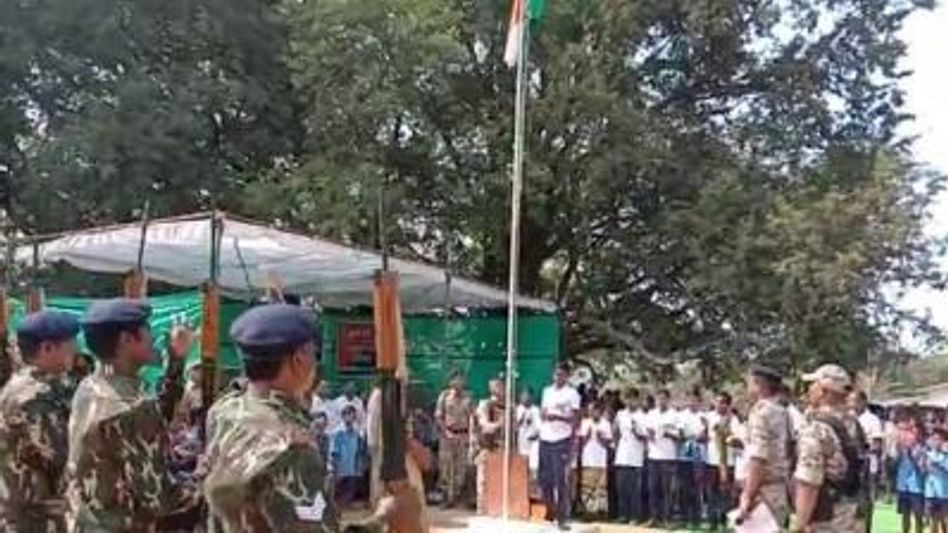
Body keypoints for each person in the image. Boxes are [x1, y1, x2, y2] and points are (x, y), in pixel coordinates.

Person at [202, 303, 338, 531]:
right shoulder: (294, 450)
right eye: (313, 353)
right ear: (299, 359)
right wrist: (384, 521)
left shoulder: (223, 411)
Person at [67, 298, 196, 531]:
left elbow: (148, 426)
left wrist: (176, 360)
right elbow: (159, 500)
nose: (153, 339)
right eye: (147, 331)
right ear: (127, 339)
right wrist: (210, 480)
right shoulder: (131, 406)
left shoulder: (89, 387)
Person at [0, 311, 79, 531]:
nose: (75, 350)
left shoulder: (21, 384)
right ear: (46, 348)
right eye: (69, 344)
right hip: (35, 518)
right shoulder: (35, 398)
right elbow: (61, 458)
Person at [791, 364, 866, 533]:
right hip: (852, 515)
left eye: (813, 384)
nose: (808, 389)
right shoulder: (854, 424)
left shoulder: (816, 429)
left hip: (827, 520)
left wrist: (800, 524)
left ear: (823, 391)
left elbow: (808, 481)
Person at [738, 365, 793, 528]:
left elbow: (758, 457)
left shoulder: (761, 413)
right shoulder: (783, 412)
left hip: (762, 490)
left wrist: (748, 495)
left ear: (759, 385)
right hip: (780, 489)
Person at [538, 363, 581, 531]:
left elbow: (576, 419)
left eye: (561, 375)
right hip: (545, 437)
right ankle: (550, 512)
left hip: (561, 439)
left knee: (560, 480)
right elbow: (542, 412)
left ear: (567, 376)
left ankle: (563, 517)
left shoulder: (572, 394)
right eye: (556, 374)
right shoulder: (547, 391)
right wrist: (545, 415)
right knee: (544, 479)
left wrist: (558, 417)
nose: (558, 377)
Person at [434, 372, 473, 508]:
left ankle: (456, 496)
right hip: (447, 436)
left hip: (463, 436)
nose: (458, 382)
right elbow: (438, 417)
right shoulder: (444, 396)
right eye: (455, 379)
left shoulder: (468, 398)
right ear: (450, 381)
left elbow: (472, 417)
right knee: (445, 467)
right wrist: (445, 431)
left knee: (460, 468)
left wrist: (470, 436)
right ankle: (445, 497)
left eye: (460, 379)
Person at [705, 391, 740, 531]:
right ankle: (712, 522)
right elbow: (706, 435)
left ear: (728, 405)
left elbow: (737, 440)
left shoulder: (734, 419)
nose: (719, 405)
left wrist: (725, 432)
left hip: (728, 462)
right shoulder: (710, 417)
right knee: (711, 493)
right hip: (711, 461)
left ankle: (725, 521)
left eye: (722, 403)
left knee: (726, 494)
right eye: (717, 402)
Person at [613, 388, 648, 524]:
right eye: (627, 398)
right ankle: (623, 514)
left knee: (634, 488)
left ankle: (635, 516)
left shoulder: (642, 416)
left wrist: (636, 431)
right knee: (621, 487)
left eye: (632, 398)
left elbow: (645, 437)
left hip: (635, 456)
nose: (629, 401)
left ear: (637, 399)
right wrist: (617, 445)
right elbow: (615, 431)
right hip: (622, 455)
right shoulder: (621, 414)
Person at [646, 388, 679, 528]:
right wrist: (651, 434)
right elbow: (646, 431)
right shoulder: (651, 414)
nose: (661, 401)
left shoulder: (674, 415)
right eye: (659, 399)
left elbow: (678, 436)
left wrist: (666, 433)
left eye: (664, 398)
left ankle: (668, 519)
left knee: (667, 490)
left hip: (668, 456)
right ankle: (654, 518)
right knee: (653, 488)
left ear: (668, 400)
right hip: (653, 455)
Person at [473, 378, 506, 514]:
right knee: (483, 478)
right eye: (497, 387)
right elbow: (484, 425)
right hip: (486, 446)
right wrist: (499, 424)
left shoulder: (508, 406)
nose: (500, 390)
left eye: (501, 387)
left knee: (500, 477)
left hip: (502, 446)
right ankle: (482, 507)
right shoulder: (485, 405)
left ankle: (496, 506)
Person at [677, 388, 706, 528]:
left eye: (695, 400)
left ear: (700, 402)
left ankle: (696, 518)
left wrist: (699, 435)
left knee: (696, 488)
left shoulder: (703, 417)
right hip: (684, 456)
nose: (692, 403)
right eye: (690, 400)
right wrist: (690, 436)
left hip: (698, 457)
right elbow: (681, 435)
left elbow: (705, 437)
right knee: (683, 488)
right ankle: (684, 517)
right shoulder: (682, 415)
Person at [578, 401, 612, 517]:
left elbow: (608, 444)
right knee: (587, 487)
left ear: (599, 411)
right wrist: (587, 437)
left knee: (601, 488)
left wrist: (600, 439)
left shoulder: (606, 424)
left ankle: (601, 511)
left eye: (595, 410)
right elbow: (580, 443)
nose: (592, 413)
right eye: (590, 410)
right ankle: (588, 511)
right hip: (587, 460)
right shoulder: (585, 423)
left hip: (600, 461)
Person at [895, 412, 926, 533]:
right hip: (903, 485)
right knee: (905, 516)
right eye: (909, 428)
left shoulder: (923, 448)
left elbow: (922, 469)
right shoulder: (901, 446)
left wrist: (911, 453)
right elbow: (893, 465)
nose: (911, 431)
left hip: (916, 487)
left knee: (918, 517)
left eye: (914, 428)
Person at [333, 405, 367, 507]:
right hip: (341, 465)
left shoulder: (357, 431)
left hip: (353, 465)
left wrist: (361, 463)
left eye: (351, 414)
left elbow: (360, 449)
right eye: (347, 414)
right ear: (343, 416)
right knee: (340, 489)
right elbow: (335, 451)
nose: (349, 417)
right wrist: (335, 466)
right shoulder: (338, 432)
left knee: (351, 488)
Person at [516, 389, 542, 487]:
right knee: (523, 465)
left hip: (534, 442)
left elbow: (540, 427)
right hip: (522, 442)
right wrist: (521, 417)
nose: (525, 398)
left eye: (527, 396)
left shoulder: (536, 410)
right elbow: (515, 426)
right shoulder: (518, 409)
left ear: (531, 397)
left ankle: (534, 487)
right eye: (523, 396)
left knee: (534, 466)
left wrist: (537, 435)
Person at [926, 427, 948, 533]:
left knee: (945, 522)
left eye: (938, 439)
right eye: (934, 439)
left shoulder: (946, 455)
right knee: (932, 523)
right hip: (931, 493)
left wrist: (937, 463)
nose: (936, 441)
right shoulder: (928, 453)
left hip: (944, 493)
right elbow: (926, 468)